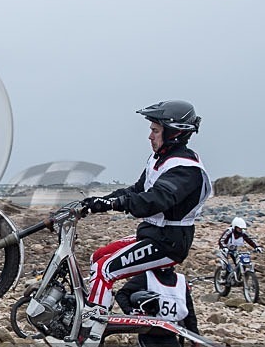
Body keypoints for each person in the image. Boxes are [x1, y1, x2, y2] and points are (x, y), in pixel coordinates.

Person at [84, 100, 212, 309]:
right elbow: (137, 190)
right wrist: (98, 202)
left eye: (155, 130)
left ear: (174, 133)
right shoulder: (159, 159)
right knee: (98, 256)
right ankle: (93, 305)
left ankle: (89, 331)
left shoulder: (185, 168)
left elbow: (153, 201)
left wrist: (117, 203)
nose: (150, 136)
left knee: (105, 268)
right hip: (153, 234)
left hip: (169, 243)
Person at [115, 267, 199, 347]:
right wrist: (131, 312)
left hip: (170, 337)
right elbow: (122, 294)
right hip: (148, 336)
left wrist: (194, 336)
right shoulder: (146, 276)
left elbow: (189, 311)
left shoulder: (181, 281)